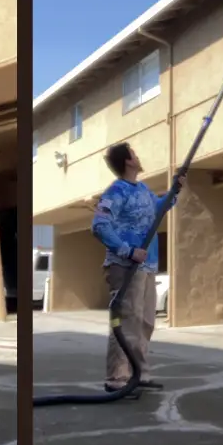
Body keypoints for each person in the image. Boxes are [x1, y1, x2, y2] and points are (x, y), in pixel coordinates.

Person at [92, 142, 185, 396]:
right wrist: (128, 250)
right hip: (125, 266)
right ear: (127, 161)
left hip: (147, 266)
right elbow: (99, 225)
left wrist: (174, 190)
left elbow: (159, 208)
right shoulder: (116, 192)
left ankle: (139, 375)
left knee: (145, 322)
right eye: (134, 153)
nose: (137, 155)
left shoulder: (142, 190)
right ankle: (116, 379)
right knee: (125, 323)